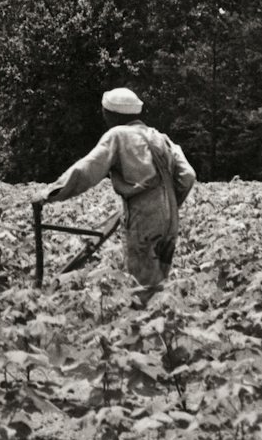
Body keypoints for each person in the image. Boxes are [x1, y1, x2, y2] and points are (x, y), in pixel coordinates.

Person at [33, 86, 197, 292]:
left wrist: (50, 193)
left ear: (112, 115)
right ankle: (161, 319)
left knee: (142, 286)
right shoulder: (159, 137)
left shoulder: (117, 135)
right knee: (158, 282)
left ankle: (142, 320)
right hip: (170, 219)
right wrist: (169, 204)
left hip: (143, 218)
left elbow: (87, 170)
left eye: (105, 114)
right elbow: (188, 176)